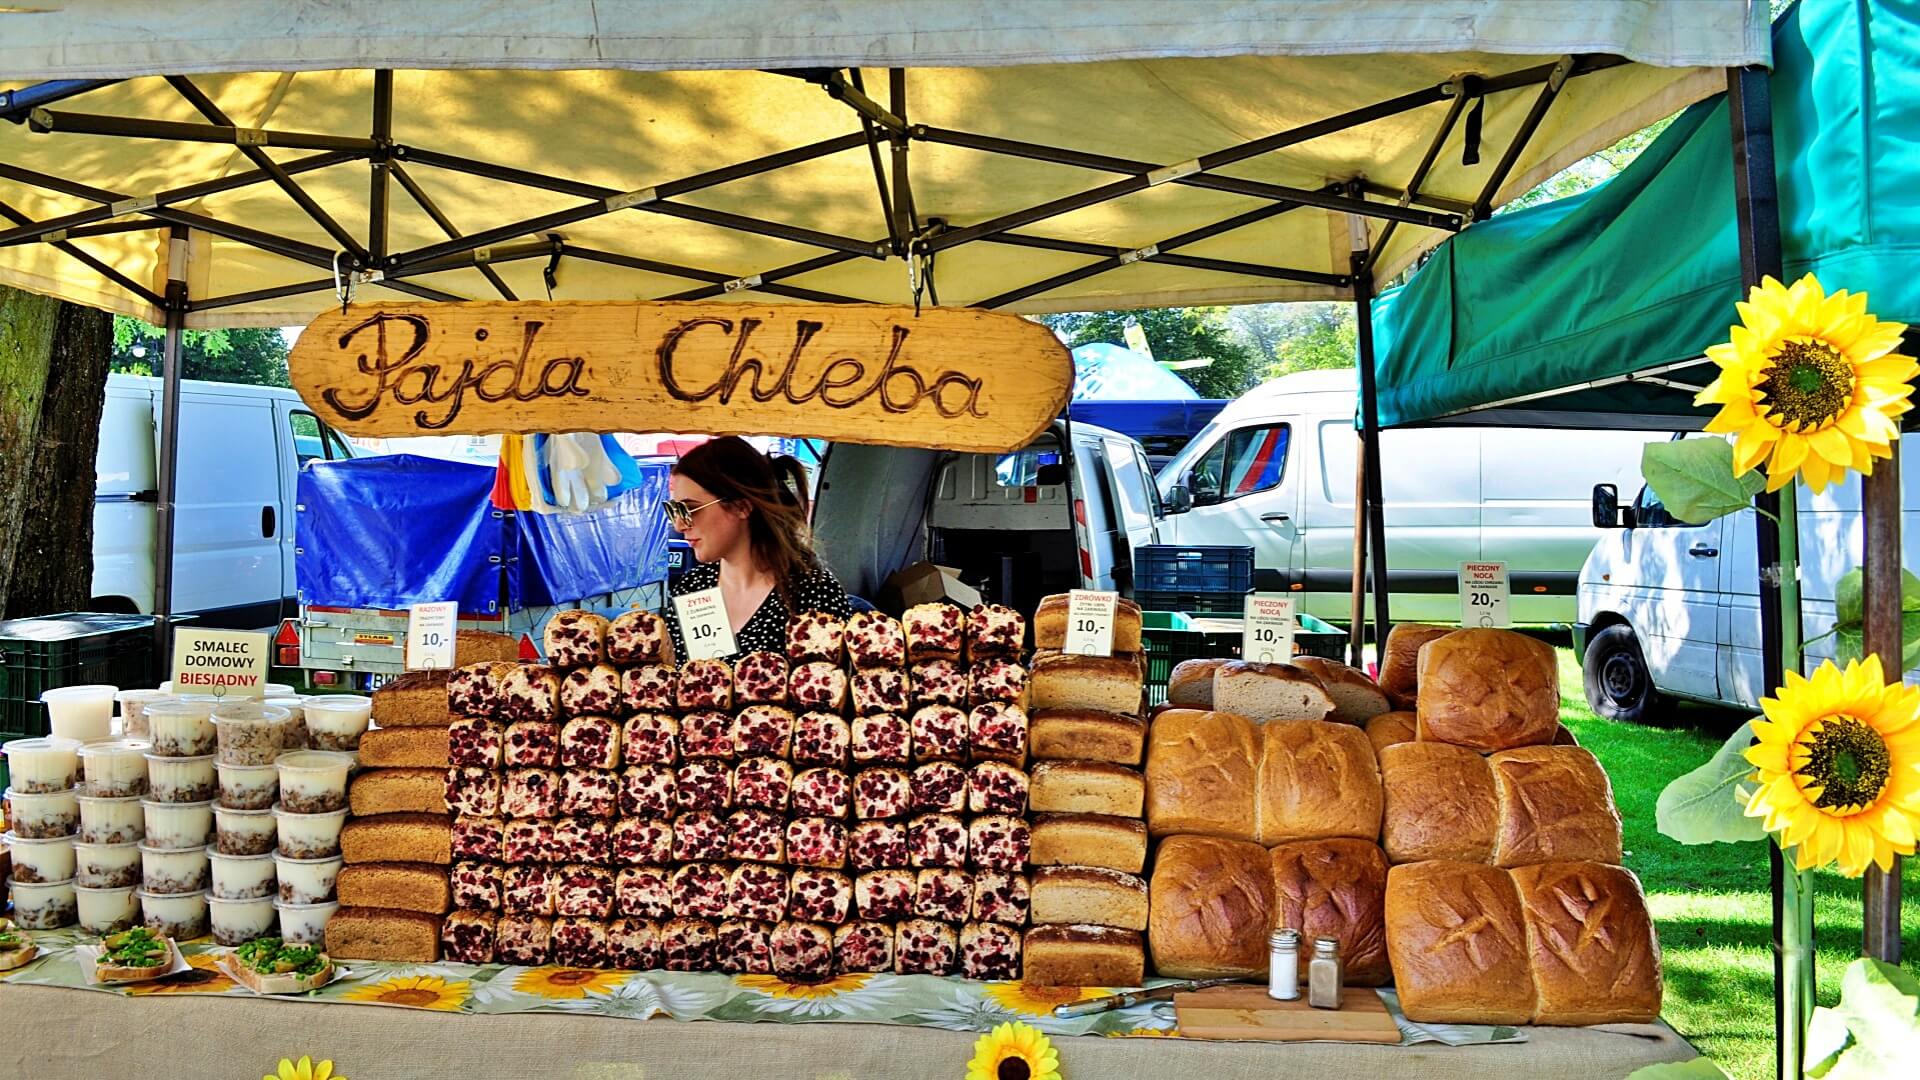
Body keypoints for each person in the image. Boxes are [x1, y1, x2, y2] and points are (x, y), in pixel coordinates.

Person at [662, 436, 850, 661]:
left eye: (689, 509)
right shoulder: (691, 589)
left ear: (741, 506)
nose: (679, 525)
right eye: (673, 510)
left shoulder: (815, 593)